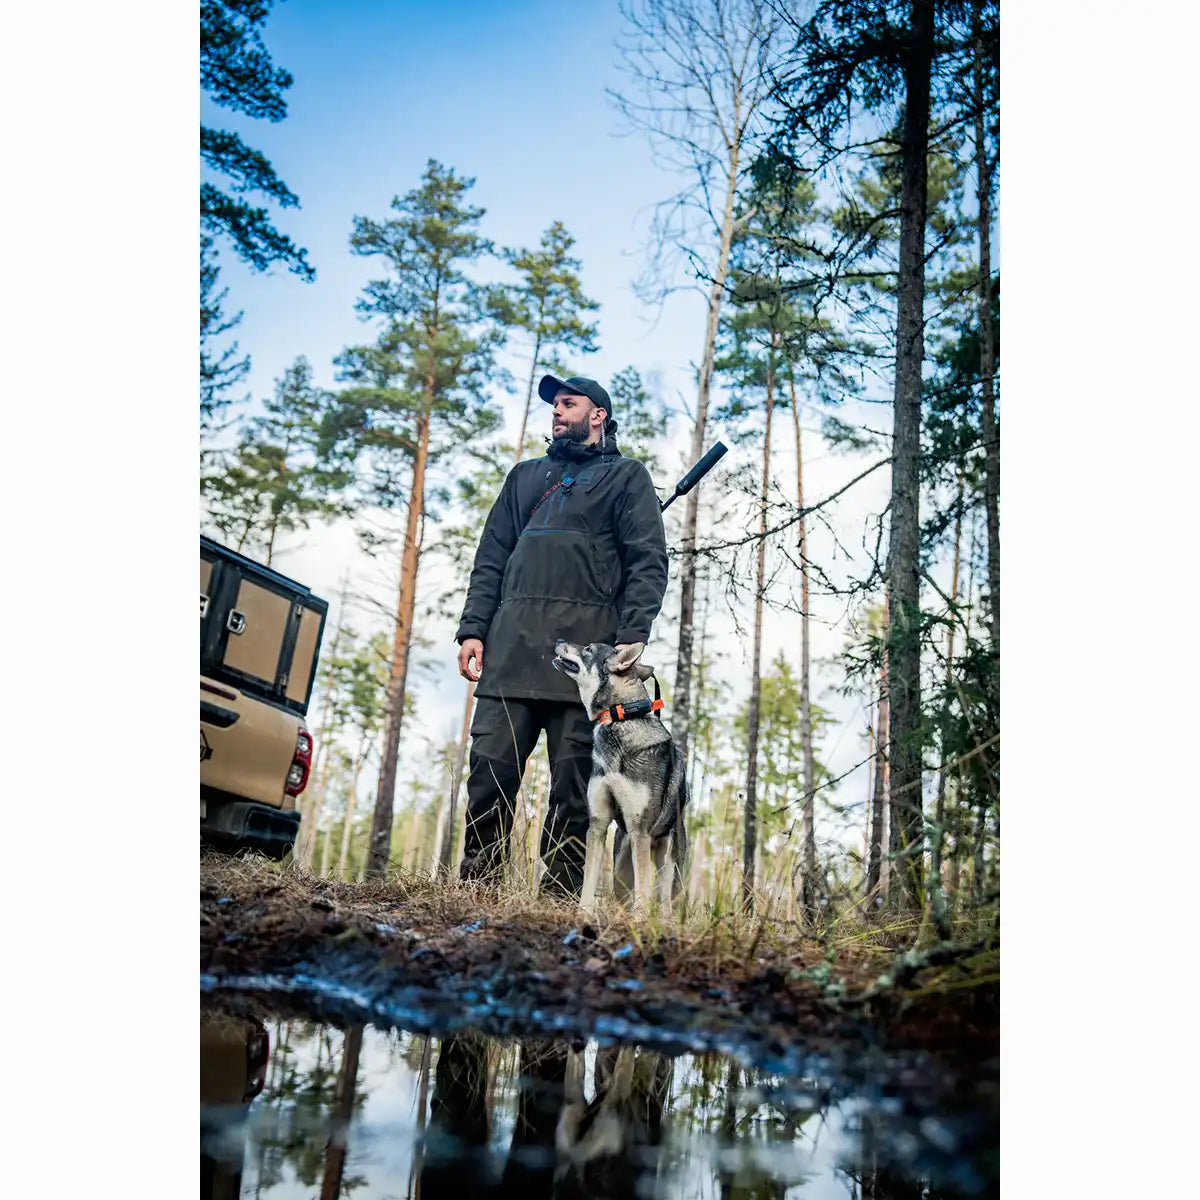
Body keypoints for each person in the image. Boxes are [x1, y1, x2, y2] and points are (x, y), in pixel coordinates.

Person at [454, 374, 669, 897]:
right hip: (510, 653)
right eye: (553, 404)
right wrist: (473, 630)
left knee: (575, 793)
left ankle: (557, 902)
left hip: (586, 668)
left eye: (568, 403)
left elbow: (647, 561)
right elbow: (491, 560)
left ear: (598, 414)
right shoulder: (524, 478)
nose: (556, 411)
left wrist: (633, 631)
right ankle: (476, 891)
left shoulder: (627, 479)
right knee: (488, 776)